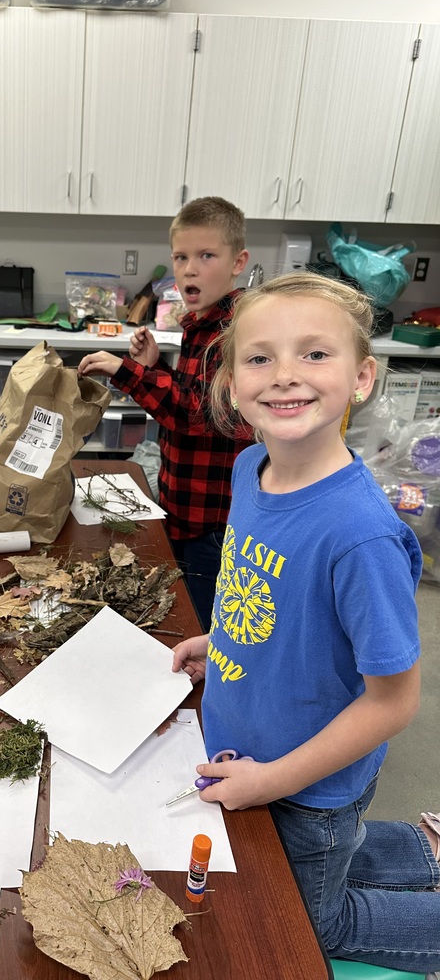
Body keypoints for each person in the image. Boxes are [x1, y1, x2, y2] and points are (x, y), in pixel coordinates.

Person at [171, 273, 440, 974]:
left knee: (311, 925)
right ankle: (427, 849)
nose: (285, 375)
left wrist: (273, 782)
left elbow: (394, 702)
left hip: (308, 786)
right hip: (251, 747)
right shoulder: (249, 465)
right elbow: (260, 589)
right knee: (318, 864)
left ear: (362, 378)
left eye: (315, 354)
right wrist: (220, 638)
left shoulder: (359, 536)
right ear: (230, 383)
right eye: (260, 357)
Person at [78, 196, 252, 629]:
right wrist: (156, 367)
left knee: (202, 621)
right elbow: (194, 393)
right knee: (184, 602)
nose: (189, 268)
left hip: (210, 524)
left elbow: (195, 414)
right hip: (183, 508)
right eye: (180, 257)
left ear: (238, 262)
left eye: (206, 255)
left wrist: (129, 371)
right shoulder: (201, 323)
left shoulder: (236, 333)